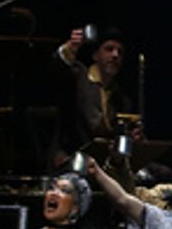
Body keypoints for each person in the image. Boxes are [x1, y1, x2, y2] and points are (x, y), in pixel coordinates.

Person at [53, 26, 137, 166]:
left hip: (104, 161)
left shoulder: (121, 98)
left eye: (120, 52)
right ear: (95, 55)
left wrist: (132, 136)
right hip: (72, 156)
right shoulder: (79, 77)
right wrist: (69, 49)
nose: (115, 55)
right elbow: (58, 70)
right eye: (109, 49)